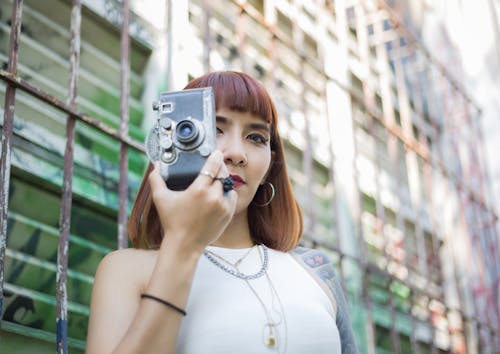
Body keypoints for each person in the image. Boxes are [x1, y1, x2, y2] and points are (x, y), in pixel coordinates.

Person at [86, 71, 358, 354]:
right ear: (170, 143)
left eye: (256, 137)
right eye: (215, 129)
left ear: (270, 166)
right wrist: (182, 246)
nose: (237, 153)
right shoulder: (126, 270)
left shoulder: (314, 269)